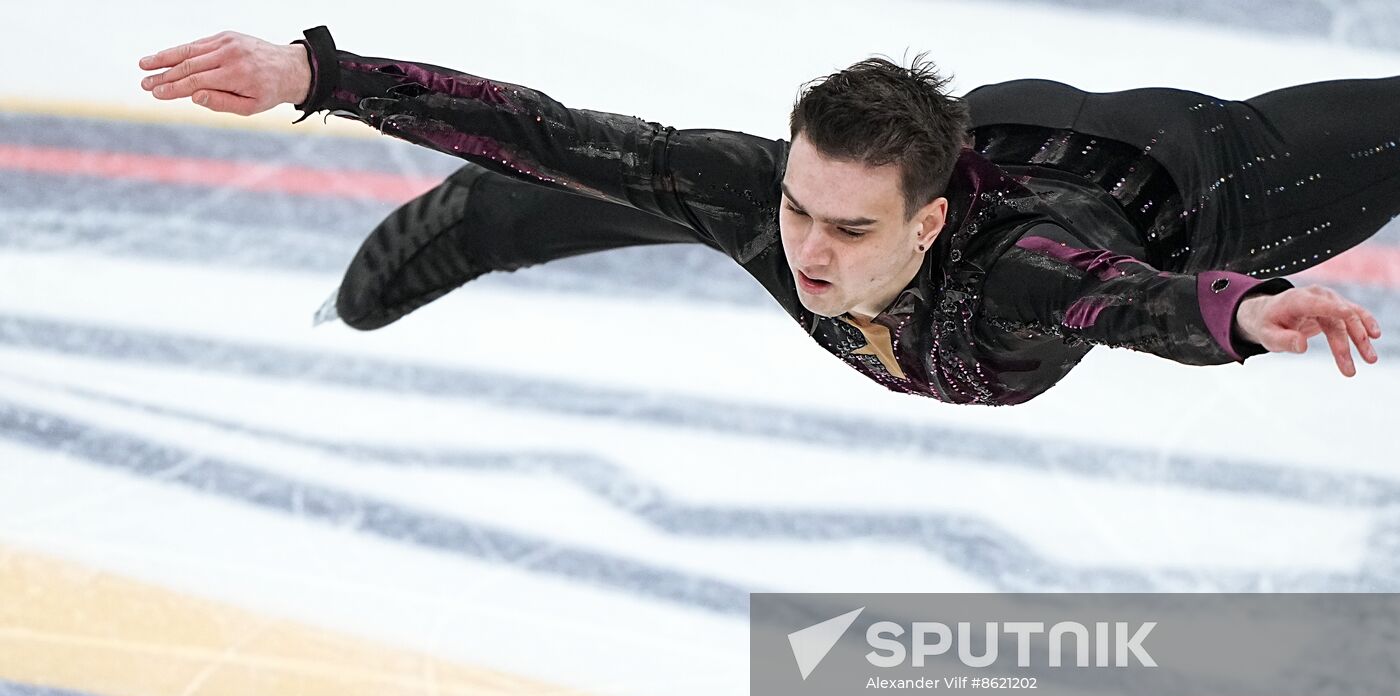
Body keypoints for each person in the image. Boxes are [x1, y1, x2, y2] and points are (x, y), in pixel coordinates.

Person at [137, 26, 1384, 406]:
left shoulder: (1013, 271)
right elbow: (547, 121)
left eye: (848, 233)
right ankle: (487, 222)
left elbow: (1129, 298)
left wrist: (1244, 309)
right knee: (633, 184)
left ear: (930, 225)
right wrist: (319, 77)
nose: (806, 252)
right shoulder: (782, 203)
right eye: (802, 210)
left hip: (1211, 180)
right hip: (984, 123)